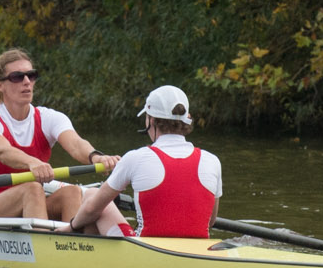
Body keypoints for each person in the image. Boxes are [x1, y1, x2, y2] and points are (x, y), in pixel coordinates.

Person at [0, 48, 119, 221]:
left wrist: (96, 157)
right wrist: (32, 162)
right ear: (0, 85)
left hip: (32, 200)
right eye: (17, 77)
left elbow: (76, 144)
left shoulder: (48, 117)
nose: (26, 82)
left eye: (31, 75)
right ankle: (45, 243)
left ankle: (72, 244)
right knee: (32, 188)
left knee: (72, 192)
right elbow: (2, 151)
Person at [68, 84, 221, 238]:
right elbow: (211, 221)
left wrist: (70, 227)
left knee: (92, 195)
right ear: (186, 120)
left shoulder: (136, 158)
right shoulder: (212, 160)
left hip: (145, 252)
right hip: (198, 254)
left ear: (151, 121)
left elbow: (91, 210)